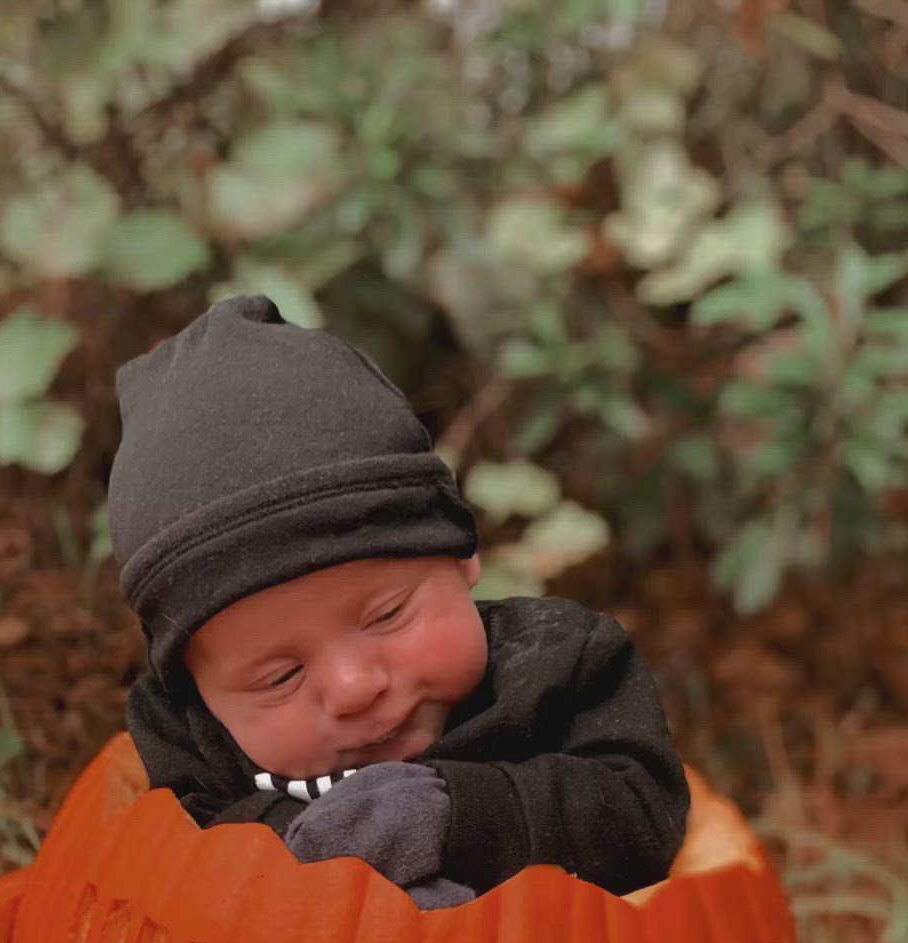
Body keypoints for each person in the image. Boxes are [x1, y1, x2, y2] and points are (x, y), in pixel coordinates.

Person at [110, 294, 689, 910]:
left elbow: (642, 817)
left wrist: (452, 815)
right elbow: (179, 877)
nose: (355, 687)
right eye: (280, 676)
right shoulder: (190, 738)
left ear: (462, 555)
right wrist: (304, 847)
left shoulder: (560, 666)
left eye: (386, 616)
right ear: (197, 690)